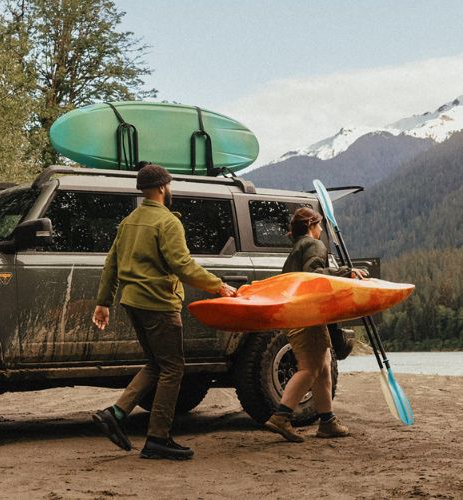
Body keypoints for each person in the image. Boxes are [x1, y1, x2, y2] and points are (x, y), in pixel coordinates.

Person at [91, 163, 237, 460]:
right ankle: (158, 437)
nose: (170, 189)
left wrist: (104, 302)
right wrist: (218, 286)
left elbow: (111, 263)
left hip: (133, 302)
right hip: (159, 303)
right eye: (168, 184)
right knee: (173, 368)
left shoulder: (129, 221)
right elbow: (182, 265)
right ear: (162, 187)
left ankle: (116, 414)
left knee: (158, 363)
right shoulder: (168, 222)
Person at [265, 207, 367, 443]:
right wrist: (347, 273)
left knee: (324, 364)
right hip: (307, 315)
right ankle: (281, 416)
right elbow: (314, 275)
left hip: (298, 314)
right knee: (310, 368)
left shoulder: (298, 247)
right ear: (311, 225)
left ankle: (327, 421)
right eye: (319, 225)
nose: (321, 229)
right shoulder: (313, 245)